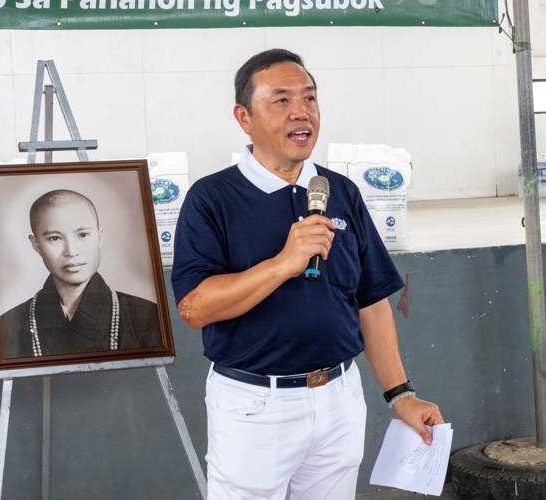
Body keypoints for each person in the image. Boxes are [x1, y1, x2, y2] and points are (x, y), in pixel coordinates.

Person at [171, 49, 443, 499]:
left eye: (310, 99)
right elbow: (194, 307)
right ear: (244, 117)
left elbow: (370, 301)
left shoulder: (341, 191)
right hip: (255, 407)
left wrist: (401, 394)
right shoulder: (211, 198)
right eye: (281, 100)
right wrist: (283, 264)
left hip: (339, 398)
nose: (302, 113)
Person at [1, 189, 162, 358]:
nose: (71, 251)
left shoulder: (148, 316)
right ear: (36, 245)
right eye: (55, 238)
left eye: (83, 235)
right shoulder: (8, 324)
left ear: (99, 238)